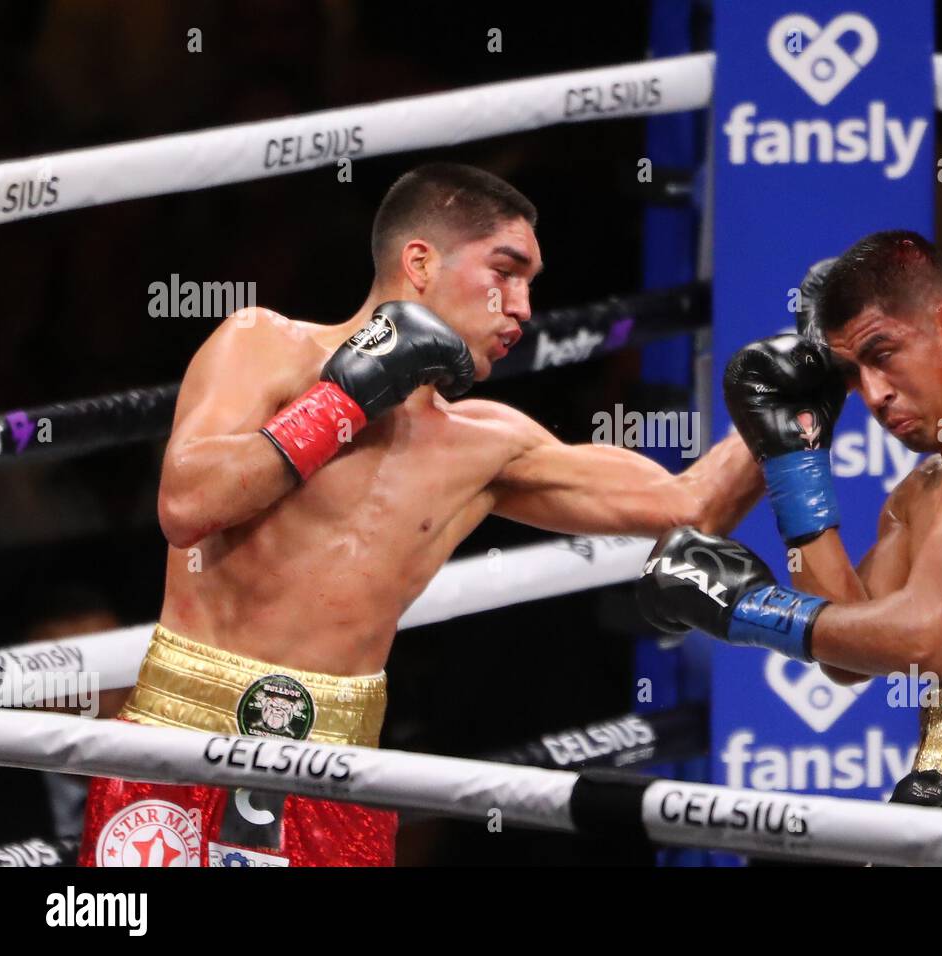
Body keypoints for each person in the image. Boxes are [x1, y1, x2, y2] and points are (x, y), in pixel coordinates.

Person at [80, 162, 762, 867]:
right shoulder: (265, 344)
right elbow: (188, 503)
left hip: (334, 776)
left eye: (531, 283)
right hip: (182, 746)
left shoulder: (490, 444)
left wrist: (790, 407)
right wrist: (344, 402)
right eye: (506, 271)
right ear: (419, 262)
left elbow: (689, 506)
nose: (524, 307)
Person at [638, 230, 942, 824]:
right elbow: (849, 654)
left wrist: (746, 610)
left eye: (882, 355)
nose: (872, 395)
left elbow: (928, 639)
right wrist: (794, 462)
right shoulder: (919, 490)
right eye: (851, 374)